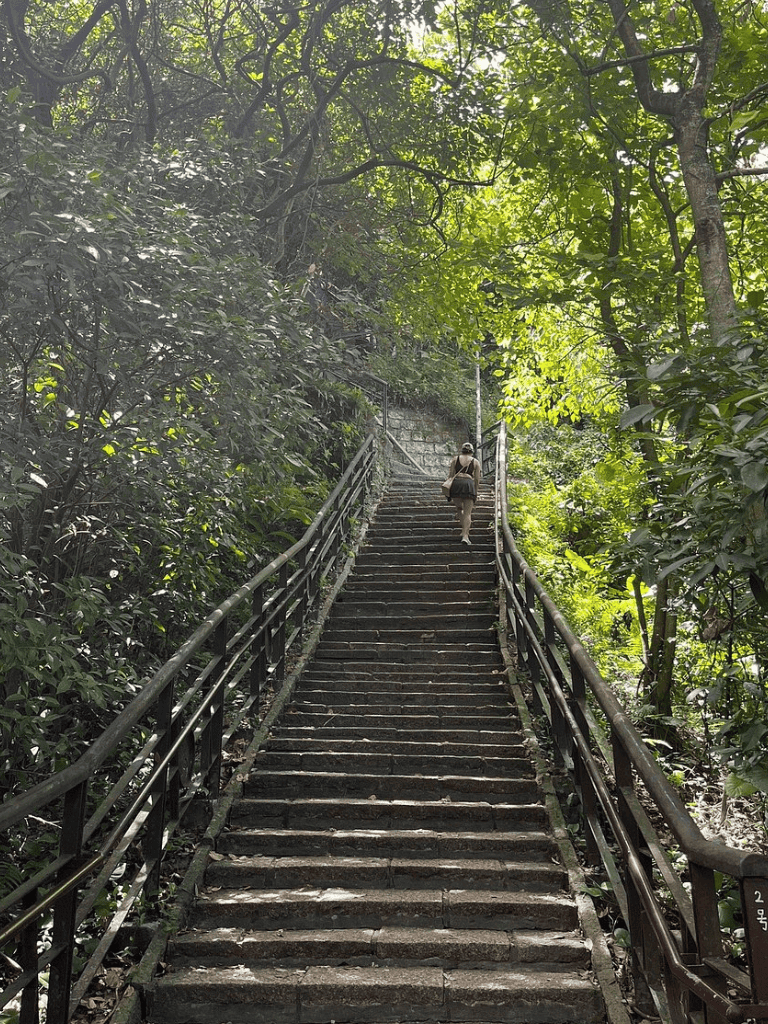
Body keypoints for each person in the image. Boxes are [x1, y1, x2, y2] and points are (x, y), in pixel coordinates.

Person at [448, 442, 481, 545]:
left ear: (461, 450)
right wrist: (475, 491)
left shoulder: (455, 459)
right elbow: (477, 479)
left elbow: (450, 475)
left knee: (459, 508)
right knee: (467, 513)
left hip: (456, 484)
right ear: (472, 452)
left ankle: (463, 530)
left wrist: (449, 489)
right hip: (468, 485)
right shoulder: (475, 462)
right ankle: (465, 536)